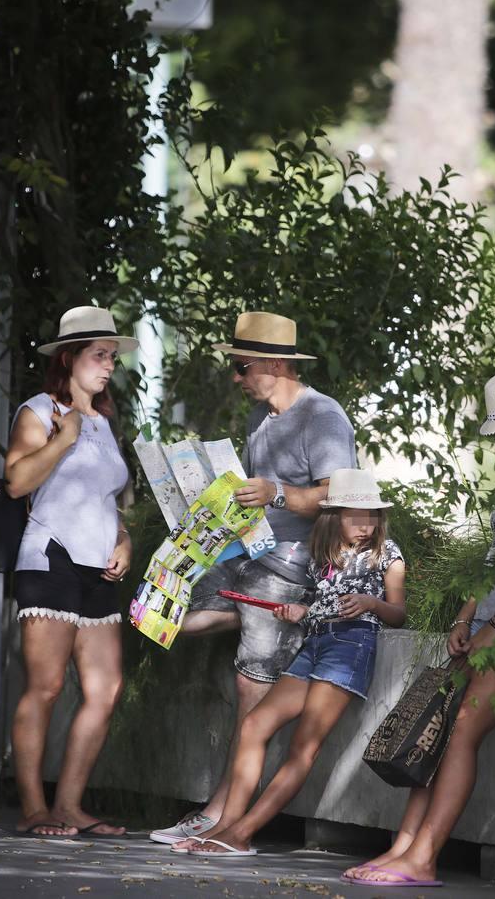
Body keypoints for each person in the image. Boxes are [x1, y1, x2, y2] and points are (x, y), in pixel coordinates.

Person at [342, 370, 495, 888]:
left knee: (462, 727)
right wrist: (466, 619)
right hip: (489, 625)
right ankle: (402, 848)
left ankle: (424, 858)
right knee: (438, 730)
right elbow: (492, 565)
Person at [149, 311, 358, 845]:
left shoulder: (323, 417)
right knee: (163, 613)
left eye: (241, 367)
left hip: (294, 563)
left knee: (249, 686)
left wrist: (278, 493)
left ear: (274, 363)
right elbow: (252, 497)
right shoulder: (259, 419)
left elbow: (341, 498)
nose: (236, 379)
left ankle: (221, 814)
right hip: (249, 552)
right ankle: (249, 620)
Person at [172, 469, 407, 857]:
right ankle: (225, 828)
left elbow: (398, 614)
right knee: (253, 725)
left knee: (303, 747)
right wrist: (301, 610)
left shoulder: (388, 554)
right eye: (354, 515)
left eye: (372, 516)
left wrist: (371, 604)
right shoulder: (323, 555)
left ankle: (242, 833)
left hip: (350, 647)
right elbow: (323, 603)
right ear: (334, 516)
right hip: (315, 642)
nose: (365, 525)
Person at [4, 306, 136, 838]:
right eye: (98, 356)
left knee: (105, 688)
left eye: (111, 357)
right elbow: (15, 483)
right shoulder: (38, 411)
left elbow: (112, 502)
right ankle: (34, 808)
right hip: (50, 559)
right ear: (69, 358)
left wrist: (126, 540)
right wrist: (63, 438)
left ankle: (70, 806)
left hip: (98, 568)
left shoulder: (105, 422)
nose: (108, 366)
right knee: (48, 686)